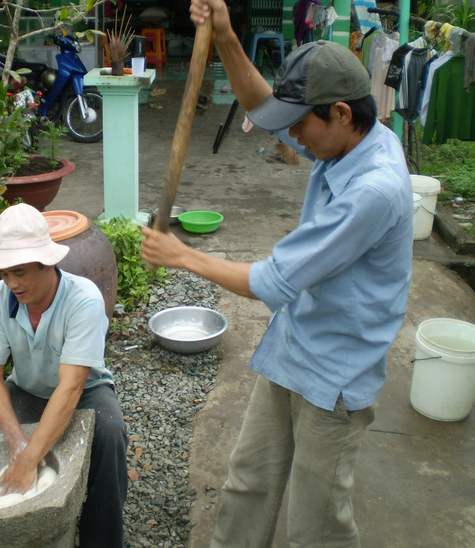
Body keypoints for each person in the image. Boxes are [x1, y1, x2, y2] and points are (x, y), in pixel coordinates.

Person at [141, 1, 413, 546]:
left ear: (339, 112)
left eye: (300, 126)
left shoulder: (374, 190)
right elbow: (262, 101)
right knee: (248, 485)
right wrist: (224, 36)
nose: (290, 139)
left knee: (317, 523)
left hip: (335, 374)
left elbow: (271, 281)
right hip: (295, 344)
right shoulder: (350, 139)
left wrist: (183, 255)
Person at [0, 203, 128, 547]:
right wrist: (17, 439)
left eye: (19, 272)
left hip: (86, 393)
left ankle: (103, 536)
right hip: (25, 391)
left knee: (110, 432)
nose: (12, 283)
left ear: (47, 262)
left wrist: (30, 458)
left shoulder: (84, 300)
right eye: (5, 274)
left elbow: (72, 385)